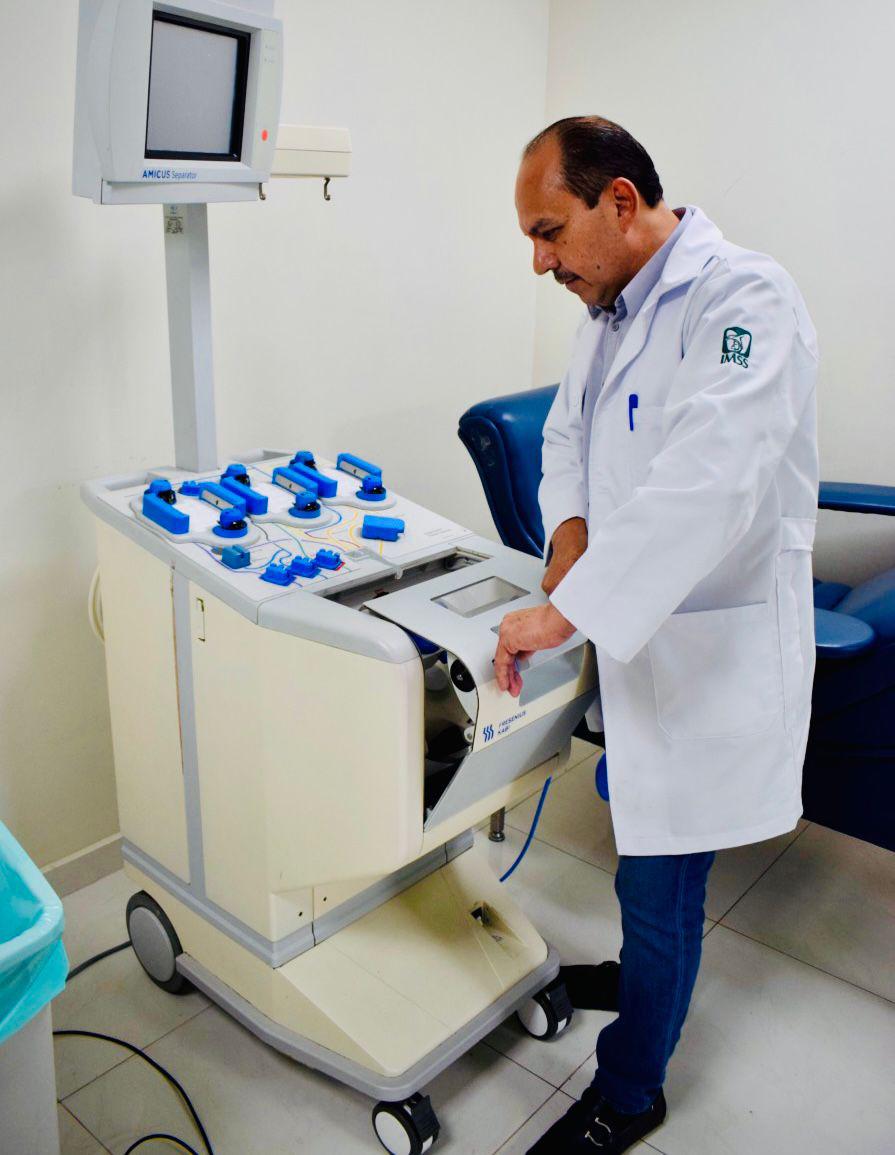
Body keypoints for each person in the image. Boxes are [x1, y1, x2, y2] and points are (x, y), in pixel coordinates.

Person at [492, 117, 819, 1154]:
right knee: (643, 850)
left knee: (660, 881)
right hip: (639, 637)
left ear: (621, 202)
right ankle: (640, 978)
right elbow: (567, 437)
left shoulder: (746, 299)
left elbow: (707, 483)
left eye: (548, 232)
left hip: (708, 654)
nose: (539, 261)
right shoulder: (607, 309)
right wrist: (569, 537)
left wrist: (566, 609)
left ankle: (630, 1092)